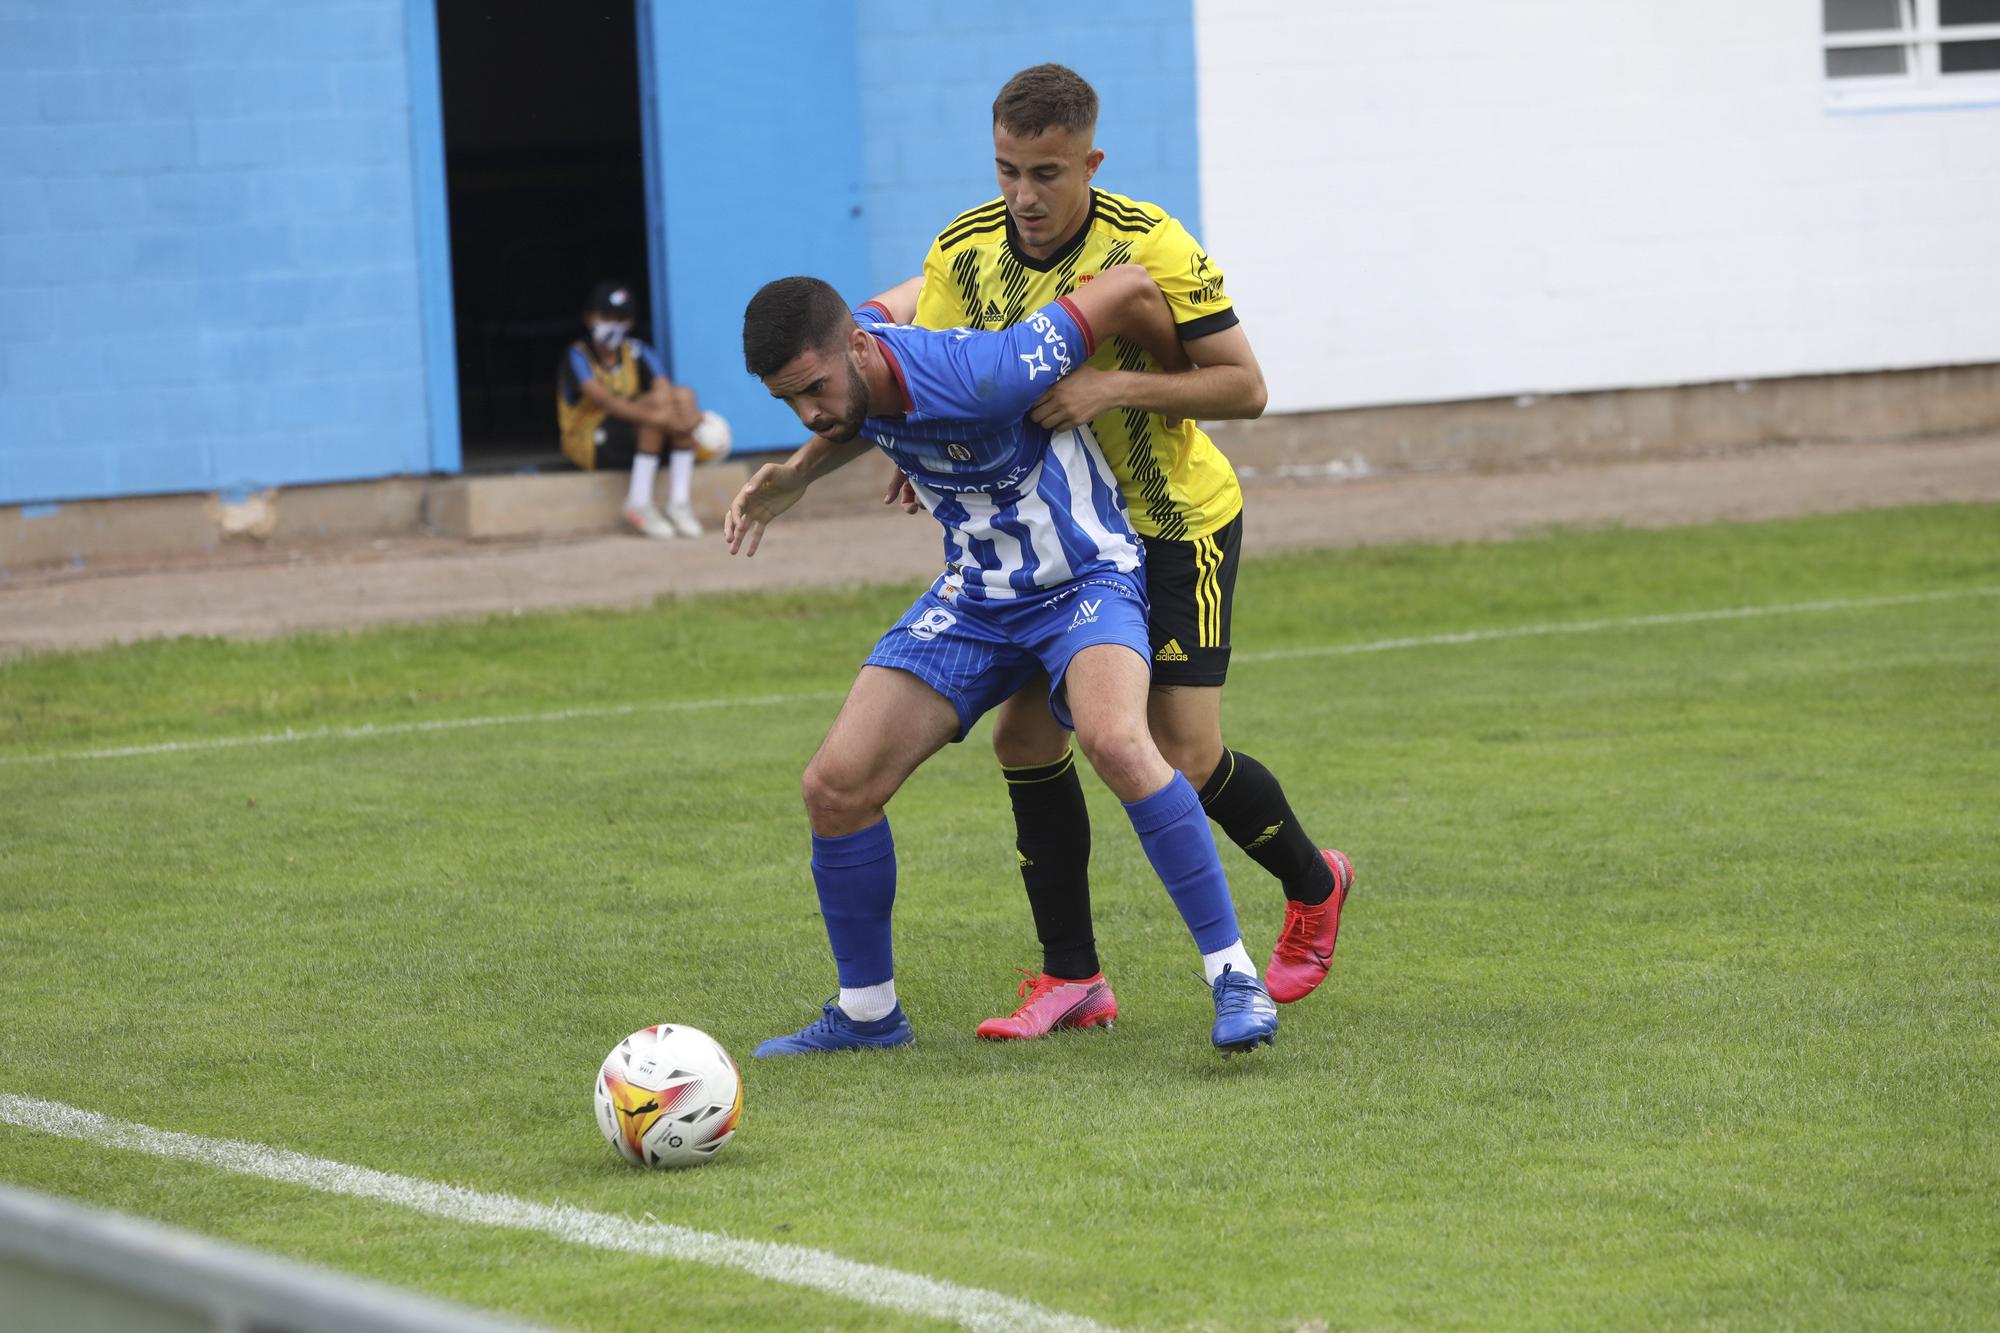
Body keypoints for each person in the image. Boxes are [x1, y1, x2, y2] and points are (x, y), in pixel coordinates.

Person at [729, 263, 1280, 1058]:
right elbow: (913, 296)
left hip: (1085, 579)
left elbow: (1125, 287)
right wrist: (798, 474)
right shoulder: (855, 365)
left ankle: (1234, 976)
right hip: (977, 598)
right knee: (834, 786)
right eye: (789, 401)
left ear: (857, 347)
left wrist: (1126, 382)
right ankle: (869, 1015)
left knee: (1119, 741)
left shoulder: (990, 370)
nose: (810, 411)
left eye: (813, 388)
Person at [907, 64, 1353, 1038]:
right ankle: (1071, 976)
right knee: (1023, 737)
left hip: (1170, 529)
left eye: (1045, 173)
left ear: (1089, 162)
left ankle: (1315, 882)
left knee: (1182, 757)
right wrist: (919, 447)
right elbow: (934, 367)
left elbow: (1242, 387)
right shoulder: (969, 246)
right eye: (1005, 171)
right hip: (1059, 543)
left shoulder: (1149, 244)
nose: (1022, 196)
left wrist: (1112, 390)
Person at [555, 280, 707, 539]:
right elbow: (607, 403)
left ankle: (679, 503)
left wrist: (682, 410)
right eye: (606, 317)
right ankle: (638, 503)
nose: (613, 324)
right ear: (590, 318)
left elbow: (664, 390)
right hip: (588, 439)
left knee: (680, 396)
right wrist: (666, 419)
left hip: (631, 430)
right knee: (658, 419)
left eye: (621, 318)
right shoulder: (578, 355)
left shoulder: (637, 350)